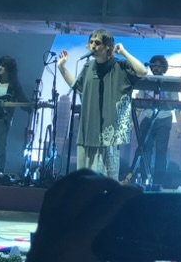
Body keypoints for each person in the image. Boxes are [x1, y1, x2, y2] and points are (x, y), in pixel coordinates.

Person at [57, 30, 148, 179]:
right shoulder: (88, 66)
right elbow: (78, 87)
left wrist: (123, 52)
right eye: (91, 42)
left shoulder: (120, 66)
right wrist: (62, 68)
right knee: (85, 180)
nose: (93, 46)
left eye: (97, 43)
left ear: (107, 47)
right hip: (88, 132)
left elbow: (142, 71)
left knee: (106, 180)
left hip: (109, 134)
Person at [129, 55, 181, 187]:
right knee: (144, 149)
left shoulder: (170, 82)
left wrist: (179, 125)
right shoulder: (145, 80)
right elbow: (139, 104)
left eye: (159, 65)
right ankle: (144, 178)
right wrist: (132, 122)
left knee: (161, 150)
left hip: (164, 118)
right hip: (147, 117)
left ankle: (159, 181)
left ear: (164, 67)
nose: (156, 67)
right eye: (153, 65)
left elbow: (176, 106)